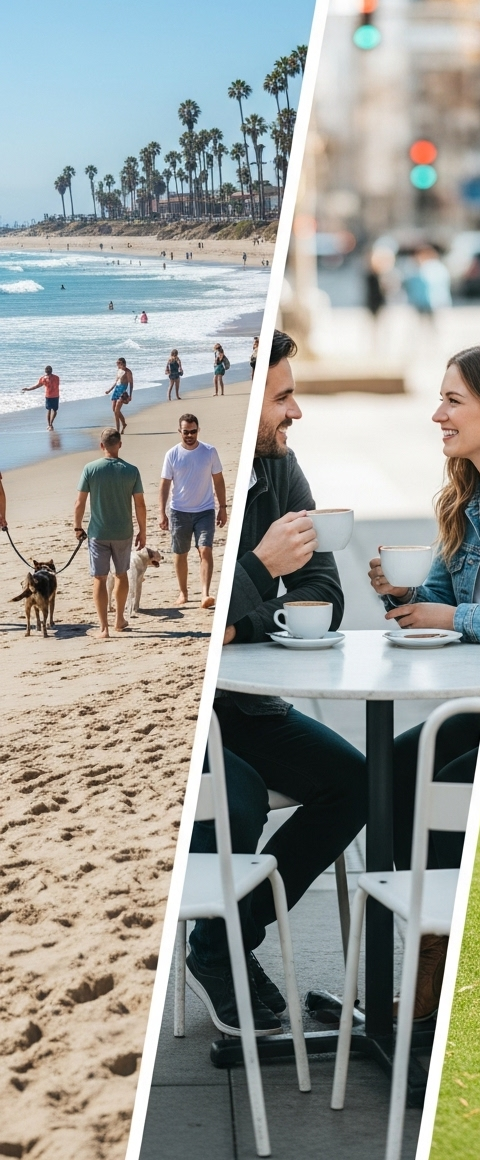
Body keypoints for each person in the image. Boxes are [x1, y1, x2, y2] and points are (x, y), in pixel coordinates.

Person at [185, 331, 366, 1037]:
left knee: (356, 783)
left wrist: (243, 616)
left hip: (251, 705)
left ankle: (222, 944)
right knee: (240, 797)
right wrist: (257, 572)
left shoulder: (283, 470)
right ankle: (223, 952)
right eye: (283, 397)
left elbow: (324, 594)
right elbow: (205, 622)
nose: (296, 413)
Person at [368, 341, 480, 1014]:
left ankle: (428, 975)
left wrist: (454, 615)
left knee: (432, 774)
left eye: (452, 400)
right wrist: (396, 594)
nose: (438, 414)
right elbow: (432, 606)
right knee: (381, 774)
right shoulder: (467, 502)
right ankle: (426, 947)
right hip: (470, 701)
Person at [74, 428, 146, 639]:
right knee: (121, 574)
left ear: (101, 445)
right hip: (123, 531)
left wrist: (77, 526)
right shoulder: (131, 470)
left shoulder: (90, 469)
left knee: (99, 577)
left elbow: (80, 502)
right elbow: (140, 504)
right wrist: (143, 531)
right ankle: (119, 620)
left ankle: (103, 628)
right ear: (120, 445)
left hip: (98, 532)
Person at [159, 414, 227, 609]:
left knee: (205, 550)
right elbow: (164, 485)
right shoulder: (172, 454)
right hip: (179, 511)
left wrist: (222, 508)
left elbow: (219, 481)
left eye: (193, 431)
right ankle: (183, 593)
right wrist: (162, 512)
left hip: (205, 510)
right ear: (179, 431)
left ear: (198, 430)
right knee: (180, 553)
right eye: (186, 432)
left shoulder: (209, 451)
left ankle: (205, 594)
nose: (189, 435)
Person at [22, 366, 60, 430]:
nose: (48, 371)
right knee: (49, 410)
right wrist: (28, 389)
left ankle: (50, 424)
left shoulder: (55, 378)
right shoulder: (45, 378)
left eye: (49, 370)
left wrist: (28, 389)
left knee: (54, 410)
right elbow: (38, 386)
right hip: (50, 396)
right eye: (47, 370)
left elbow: (38, 386)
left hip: (55, 396)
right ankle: (50, 425)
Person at [105, 358, 133, 434]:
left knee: (117, 411)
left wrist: (130, 395)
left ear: (122, 363)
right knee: (114, 410)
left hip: (122, 392)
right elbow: (116, 382)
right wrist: (109, 390)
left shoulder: (128, 372)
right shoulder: (119, 371)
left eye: (117, 363)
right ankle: (124, 424)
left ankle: (117, 430)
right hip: (116, 390)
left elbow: (131, 383)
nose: (116, 364)